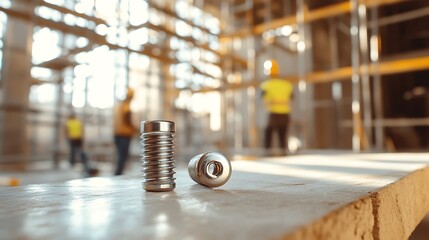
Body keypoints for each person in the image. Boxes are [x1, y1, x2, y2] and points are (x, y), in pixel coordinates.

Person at [261, 59, 293, 156]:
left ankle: (266, 154)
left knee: (268, 133)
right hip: (285, 114)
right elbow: (291, 99)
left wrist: (272, 102)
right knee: (282, 135)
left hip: (273, 114)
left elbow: (264, 100)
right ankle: (284, 154)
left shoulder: (266, 85)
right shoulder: (287, 85)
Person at [113, 88, 135, 175]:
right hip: (124, 135)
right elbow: (128, 120)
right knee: (123, 156)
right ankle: (118, 174)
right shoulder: (126, 106)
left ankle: (118, 173)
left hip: (117, 134)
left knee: (120, 155)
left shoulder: (119, 105)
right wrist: (135, 128)